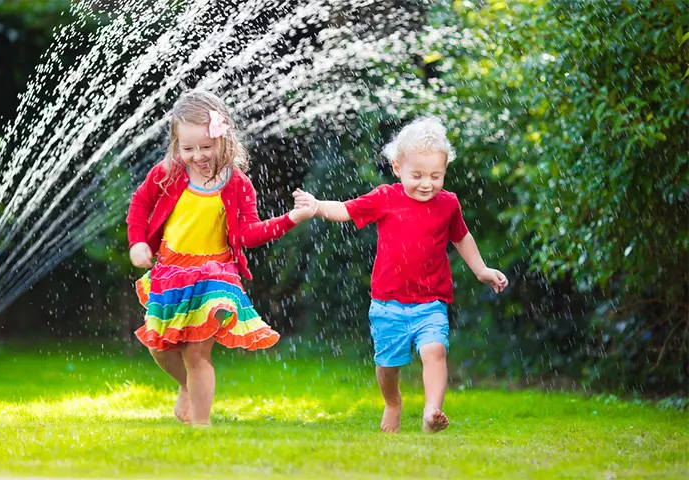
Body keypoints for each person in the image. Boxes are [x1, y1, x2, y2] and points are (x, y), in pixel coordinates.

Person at [293, 116, 508, 433]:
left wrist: (481, 269)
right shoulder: (386, 198)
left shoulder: (448, 204)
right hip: (387, 303)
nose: (426, 183)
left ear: (445, 171)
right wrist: (318, 206)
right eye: (417, 174)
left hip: (430, 301)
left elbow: (462, 238)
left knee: (435, 351)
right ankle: (393, 403)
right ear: (398, 168)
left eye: (436, 175)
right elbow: (347, 209)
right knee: (388, 366)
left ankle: (432, 413)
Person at [126, 89, 314, 426]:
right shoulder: (167, 172)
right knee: (159, 347)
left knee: (197, 352)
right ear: (176, 144)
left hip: (215, 272)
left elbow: (248, 234)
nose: (197, 155)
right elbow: (140, 205)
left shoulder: (237, 183)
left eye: (206, 147)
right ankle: (187, 386)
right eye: (188, 148)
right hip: (171, 270)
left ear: (223, 139)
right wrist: (137, 243)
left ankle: (201, 425)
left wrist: (290, 219)